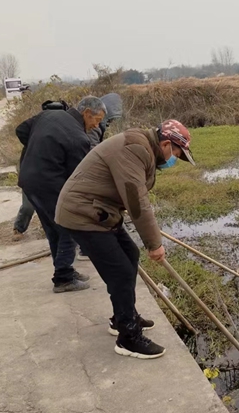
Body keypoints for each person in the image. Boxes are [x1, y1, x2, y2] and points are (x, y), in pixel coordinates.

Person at [56, 119, 195, 359]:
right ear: (165, 143)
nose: (175, 159)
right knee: (120, 271)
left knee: (130, 255)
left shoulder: (145, 148)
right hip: (83, 213)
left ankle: (123, 316)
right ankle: (128, 337)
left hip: (100, 211)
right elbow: (136, 201)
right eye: (176, 153)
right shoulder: (135, 149)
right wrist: (155, 244)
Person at [17, 96, 107, 293]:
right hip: (49, 186)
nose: (96, 126)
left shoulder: (50, 114)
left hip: (29, 181)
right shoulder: (78, 138)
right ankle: (63, 278)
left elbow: (21, 130)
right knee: (70, 226)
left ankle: (64, 269)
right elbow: (77, 178)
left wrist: (38, 150)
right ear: (86, 113)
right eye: (96, 120)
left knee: (53, 229)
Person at [12, 100, 71, 242]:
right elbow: (20, 130)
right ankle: (19, 227)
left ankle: (55, 231)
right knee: (28, 205)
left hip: (51, 173)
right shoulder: (36, 123)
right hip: (30, 169)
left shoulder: (64, 127)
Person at [76, 92, 124, 262]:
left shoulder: (98, 121)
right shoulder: (94, 126)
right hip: (83, 175)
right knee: (88, 209)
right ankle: (84, 249)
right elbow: (93, 152)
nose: (110, 123)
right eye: (110, 119)